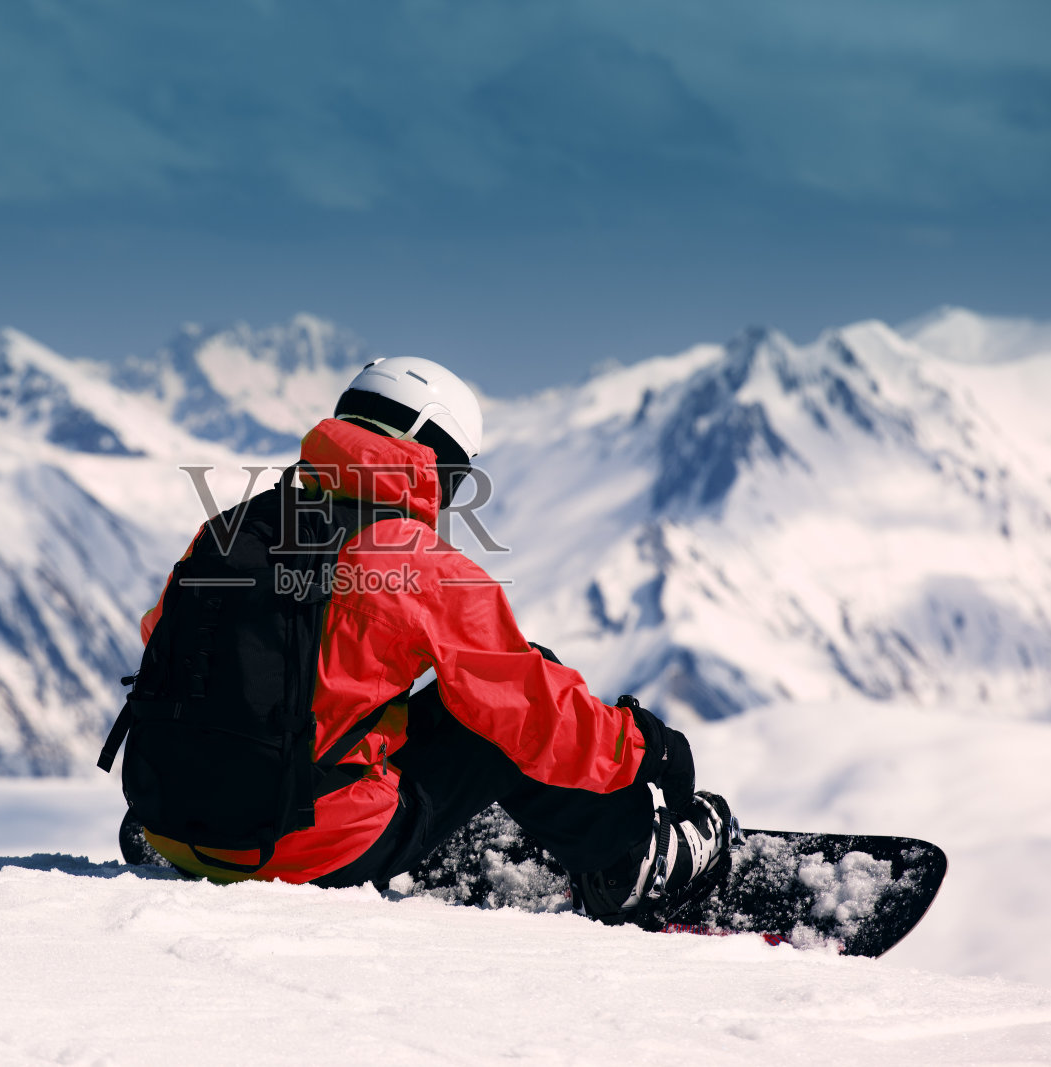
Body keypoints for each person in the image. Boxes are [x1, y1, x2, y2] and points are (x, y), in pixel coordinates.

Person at [119, 356, 732, 927]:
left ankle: (210, 820)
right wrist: (645, 746)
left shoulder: (233, 527)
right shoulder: (419, 564)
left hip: (167, 820)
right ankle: (629, 861)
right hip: (301, 849)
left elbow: (165, 643)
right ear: (432, 456)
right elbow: (534, 713)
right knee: (497, 717)